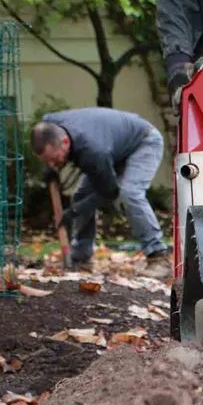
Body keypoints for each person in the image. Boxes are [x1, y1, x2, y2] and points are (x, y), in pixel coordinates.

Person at [31, 108, 171, 279]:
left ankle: (158, 256)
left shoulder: (94, 150)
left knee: (130, 193)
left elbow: (109, 192)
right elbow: (48, 143)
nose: (52, 164)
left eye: (54, 158)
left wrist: (74, 211)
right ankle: (81, 258)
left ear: (66, 142)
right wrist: (49, 168)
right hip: (114, 147)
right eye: (47, 160)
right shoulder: (49, 123)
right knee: (81, 196)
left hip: (143, 142)